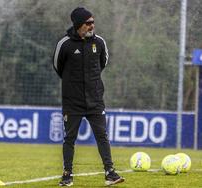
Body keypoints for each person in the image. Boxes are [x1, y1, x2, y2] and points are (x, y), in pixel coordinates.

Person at [53, 7, 125, 186]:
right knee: (69, 138)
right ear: (78, 24)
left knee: (102, 136)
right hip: (72, 102)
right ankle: (67, 174)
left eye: (93, 22)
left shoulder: (99, 42)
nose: (92, 25)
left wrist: (91, 83)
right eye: (88, 23)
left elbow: (103, 63)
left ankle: (110, 173)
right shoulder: (65, 44)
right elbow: (57, 65)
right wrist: (73, 83)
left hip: (95, 100)